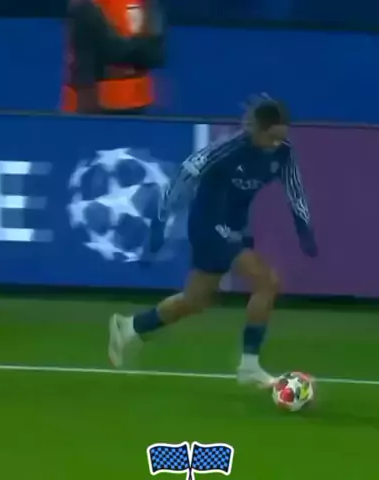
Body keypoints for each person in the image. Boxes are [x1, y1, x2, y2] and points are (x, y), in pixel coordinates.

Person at [108, 96, 318, 388]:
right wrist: (160, 221)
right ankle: (249, 366)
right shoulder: (228, 149)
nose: (275, 144)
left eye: (280, 138)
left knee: (195, 301)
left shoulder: (283, 152)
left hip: (235, 227)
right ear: (256, 129)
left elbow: (295, 190)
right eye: (271, 137)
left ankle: (130, 327)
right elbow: (184, 175)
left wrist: (303, 227)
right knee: (267, 282)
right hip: (208, 224)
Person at [62, 0, 164, 113]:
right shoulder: (86, 7)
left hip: (137, 102)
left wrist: (125, 53)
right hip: (94, 108)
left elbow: (155, 53)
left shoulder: (146, 4)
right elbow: (100, 55)